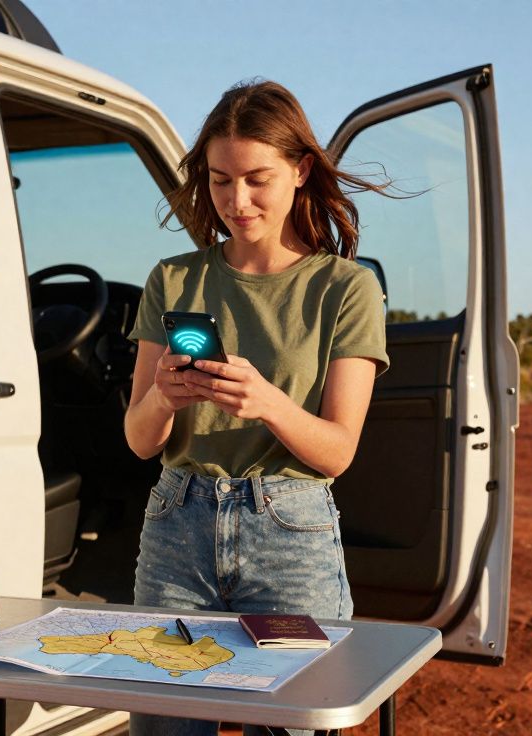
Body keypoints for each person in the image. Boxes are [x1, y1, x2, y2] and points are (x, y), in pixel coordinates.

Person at [123, 80, 394, 736]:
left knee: (296, 723)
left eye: (255, 179)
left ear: (301, 170)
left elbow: (338, 451)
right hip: (176, 526)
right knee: (165, 724)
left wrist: (269, 403)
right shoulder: (174, 279)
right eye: (219, 181)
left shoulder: (347, 289)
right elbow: (138, 439)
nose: (235, 201)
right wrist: (164, 394)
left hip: (290, 534)